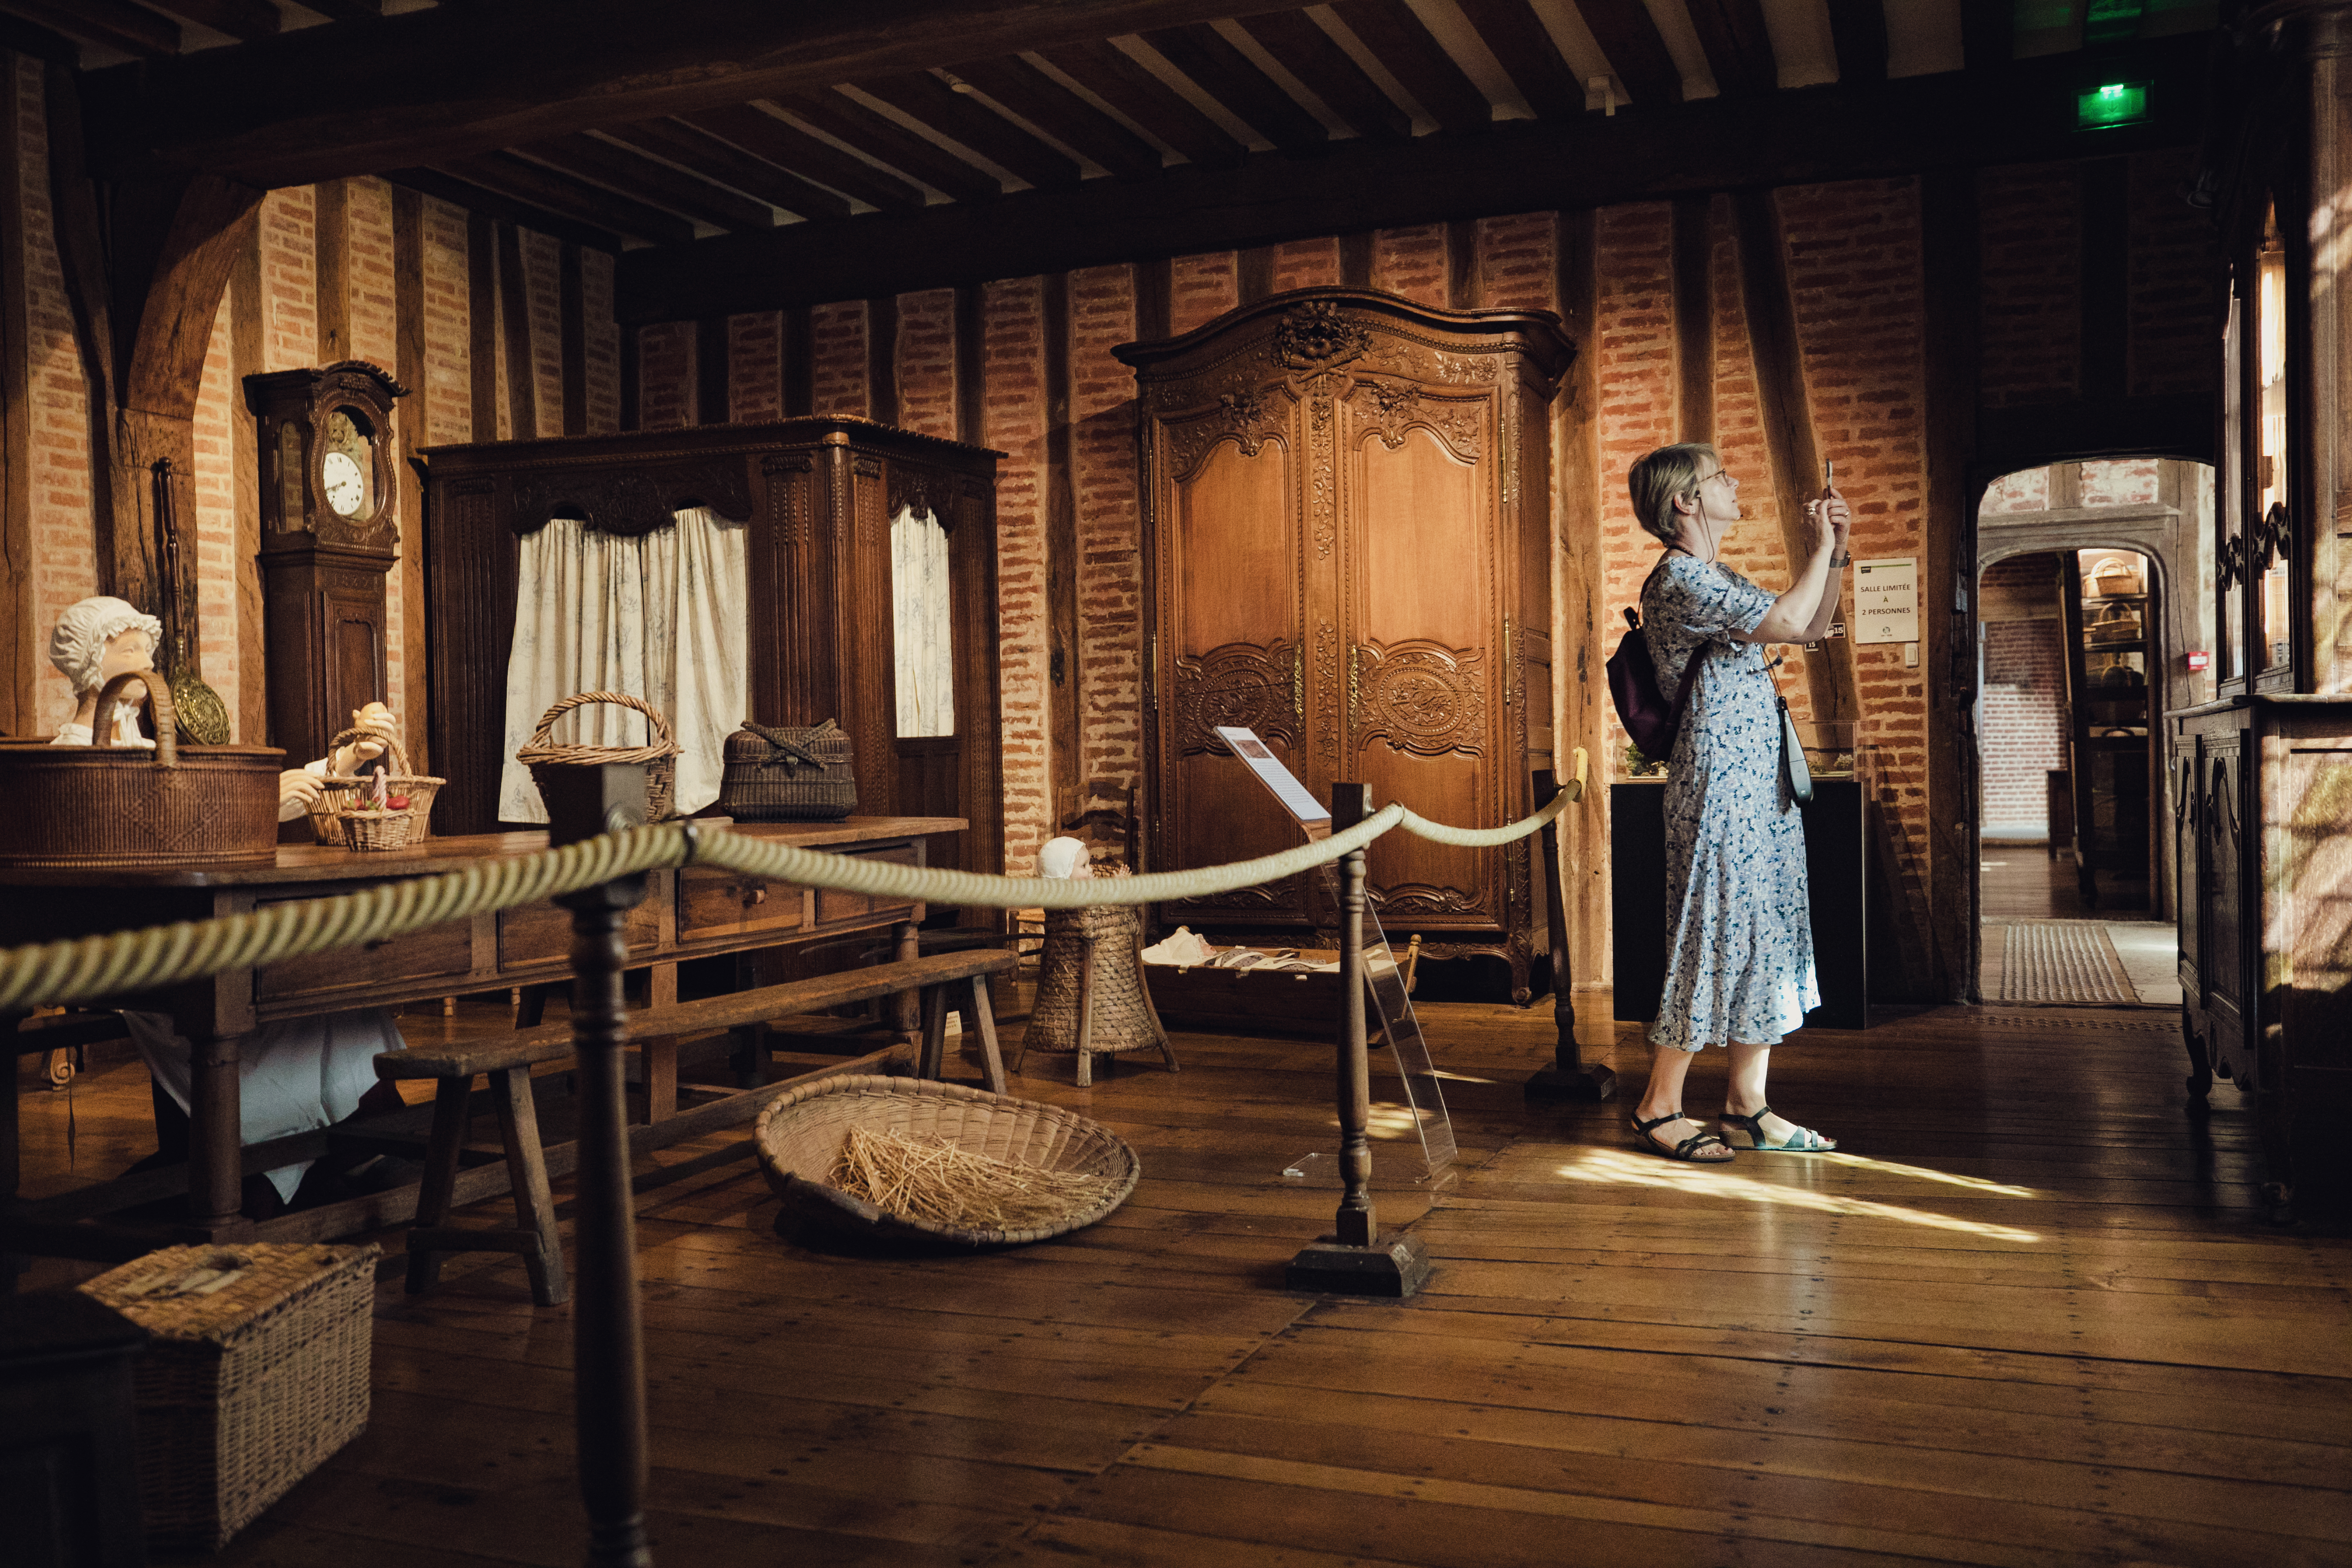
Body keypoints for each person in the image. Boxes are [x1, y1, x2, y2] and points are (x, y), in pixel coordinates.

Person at [45, 595, 412, 1212]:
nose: (145, 664)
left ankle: (347, 1149)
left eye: (145, 650)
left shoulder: (139, 745)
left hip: (195, 931)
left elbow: (201, 812)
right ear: (90, 662)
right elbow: (160, 841)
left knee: (337, 995)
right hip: (153, 952)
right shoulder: (77, 756)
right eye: (129, 651)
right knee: (306, 999)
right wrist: (269, 803)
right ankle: (292, 1163)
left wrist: (338, 764)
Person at [1624, 446, 1848, 1162]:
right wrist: (1816, 546)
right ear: (1686, 502)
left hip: (1762, 781)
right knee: (1712, 926)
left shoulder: (1717, 575)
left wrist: (1835, 553)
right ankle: (1659, 1104)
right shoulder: (1681, 581)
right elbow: (1787, 621)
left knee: (1765, 928)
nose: (1736, 482)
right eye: (1721, 477)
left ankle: (1746, 1106)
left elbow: (1810, 627)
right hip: (1719, 780)